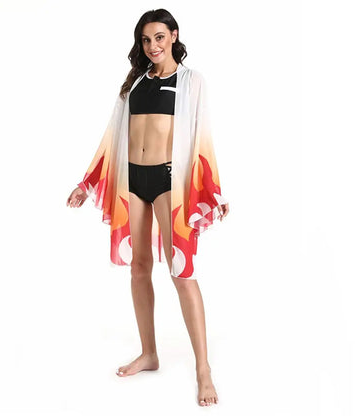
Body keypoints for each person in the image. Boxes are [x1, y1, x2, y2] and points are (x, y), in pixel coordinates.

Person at [66, 9, 229, 407]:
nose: (152, 46)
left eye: (159, 37)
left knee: (181, 271)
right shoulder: (136, 82)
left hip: (168, 181)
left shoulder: (190, 81)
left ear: (173, 35)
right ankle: (150, 353)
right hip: (132, 180)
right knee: (139, 267)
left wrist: (212, 190)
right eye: (145, 40)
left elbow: (202, 137)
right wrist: (87, 183)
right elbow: (112, 135)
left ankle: (203, 369)